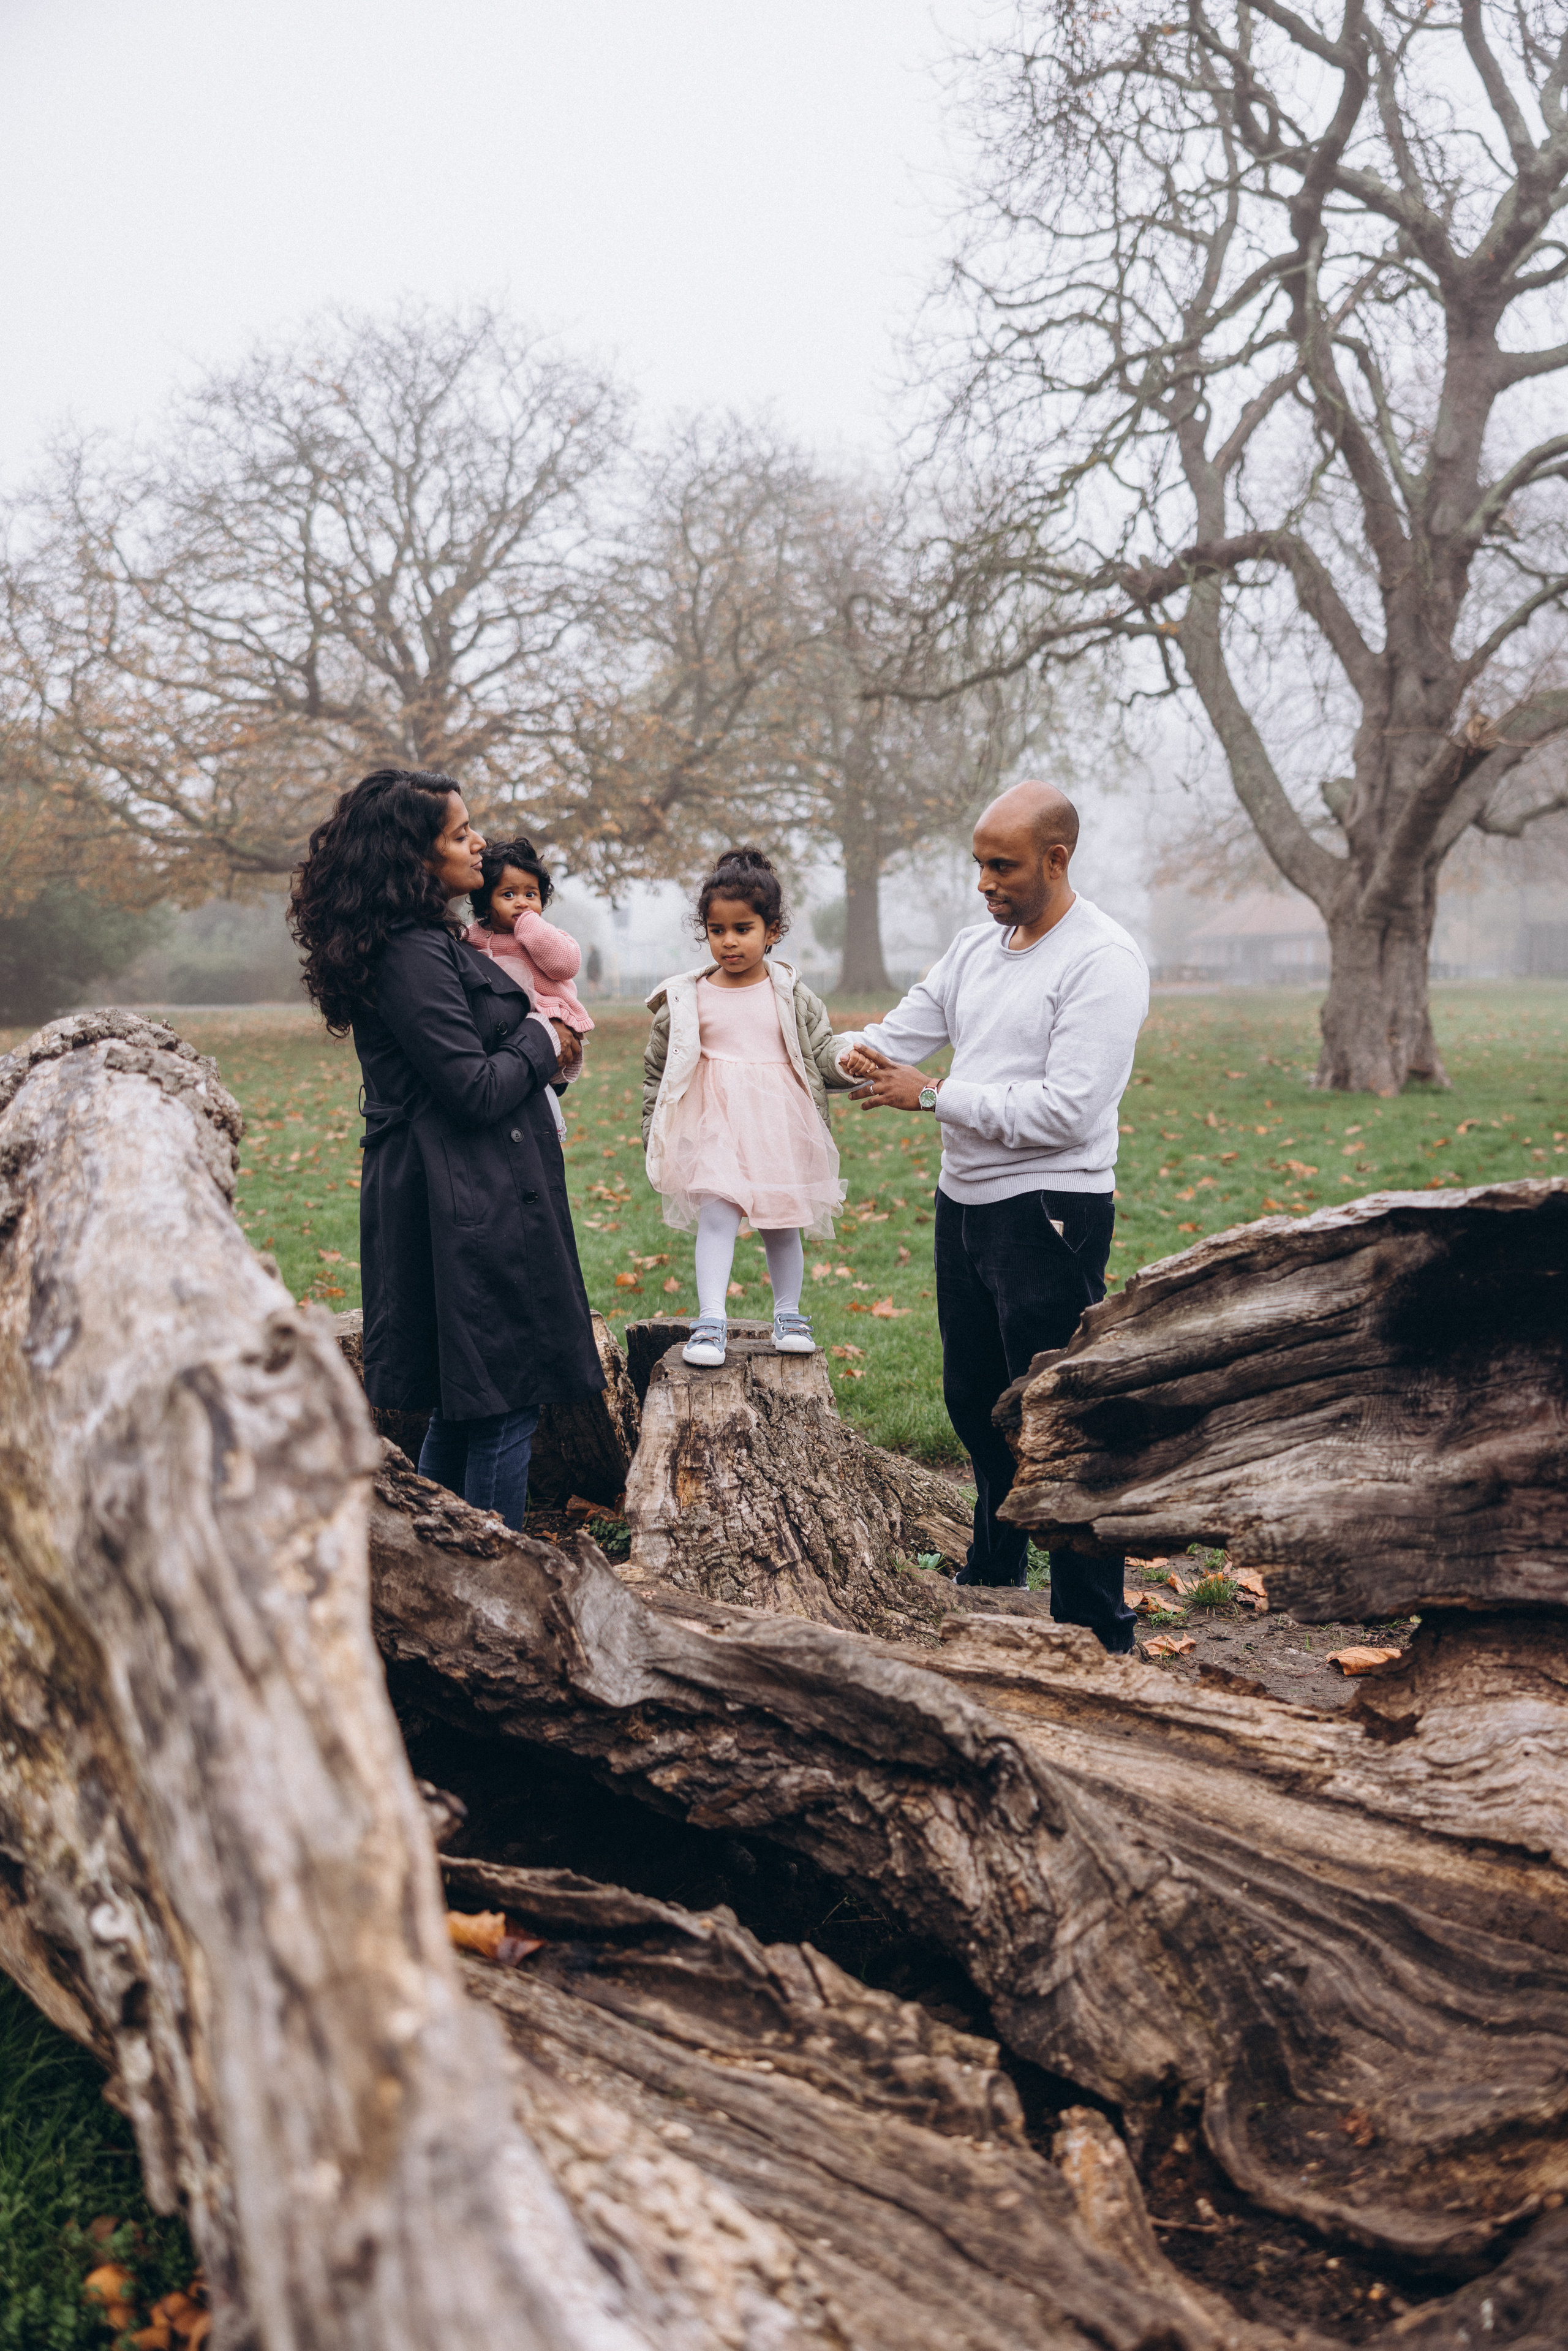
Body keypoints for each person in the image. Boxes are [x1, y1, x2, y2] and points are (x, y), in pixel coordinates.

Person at [837, 780, 1148, 1650]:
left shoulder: (1103, 960)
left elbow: (1069, 1110)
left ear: (1057, 859)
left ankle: (1096, 1621)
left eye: (1002, 865)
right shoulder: (977, 948)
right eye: (978, 862)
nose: (983, 881)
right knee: (976, 1402)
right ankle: (996, 1574)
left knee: (1056, 1414)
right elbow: (891, 1041)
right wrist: (809, 1037)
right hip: (965, 1204)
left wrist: (932, 1094)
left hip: (1051, 1210)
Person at [289, 767, 603, 1530]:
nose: (480, 843)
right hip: (463, 1198)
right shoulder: (411, 952)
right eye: (461, 833)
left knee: (473, 1406)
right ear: (414, 854)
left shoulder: (425, 939)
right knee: (500, 1402)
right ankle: (493, 1585)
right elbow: (471, 1087)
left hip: (476, 1189)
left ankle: (439, 1562)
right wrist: (543, 1036)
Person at [642, 846, 854, 1367]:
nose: (729, 941)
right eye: (717, 930)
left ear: (772, 930)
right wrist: (654, 1126)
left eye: (743, 928)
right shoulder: (687, 998)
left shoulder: (791, 993)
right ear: (705, 932)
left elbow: (820, 1050)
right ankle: (710, 1320)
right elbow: (658, 1068)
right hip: (713, 1123)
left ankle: (789, 1313)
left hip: (779, 1123)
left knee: (782, 1222)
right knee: (717, 1216)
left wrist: (849, 1063)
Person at [464, 834, 594, 1138]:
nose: (522, 903)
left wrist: (530, 926)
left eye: (531, 894)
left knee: (540, 1096)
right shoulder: (472, 937)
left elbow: (566, 965)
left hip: (551, 1022)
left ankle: (546, 1131)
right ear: (486, 902)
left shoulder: (547, 935)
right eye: (508, 895)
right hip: (505, 1035)